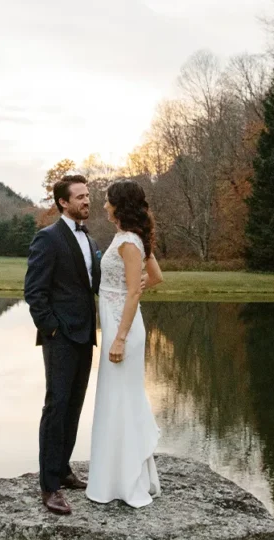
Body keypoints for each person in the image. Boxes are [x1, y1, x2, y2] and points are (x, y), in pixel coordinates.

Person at [24, 174, 101, 516]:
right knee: (56, 407)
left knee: (74, 405)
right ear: (63, 203)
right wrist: (51, 329)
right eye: (81, 197)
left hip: (86, 336)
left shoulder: (88, 238)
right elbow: (35, 292)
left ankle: (64, 469)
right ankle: (49, 486)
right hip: (61, 338)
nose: (87, 201)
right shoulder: (48, 238)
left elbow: (91, 284)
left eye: (88, 195)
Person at [86, 179, 164, 508]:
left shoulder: (129, 241)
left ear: (119, 205)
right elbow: (155, 276)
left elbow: (136, 290)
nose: (104, 206)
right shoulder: (127, 237)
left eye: (107, 201)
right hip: (119, 327)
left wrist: (118, 337)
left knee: (121, 399)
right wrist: (135, 283)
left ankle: (127, 481)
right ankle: (115, 478)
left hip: (123, 333)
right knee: (115, 398)